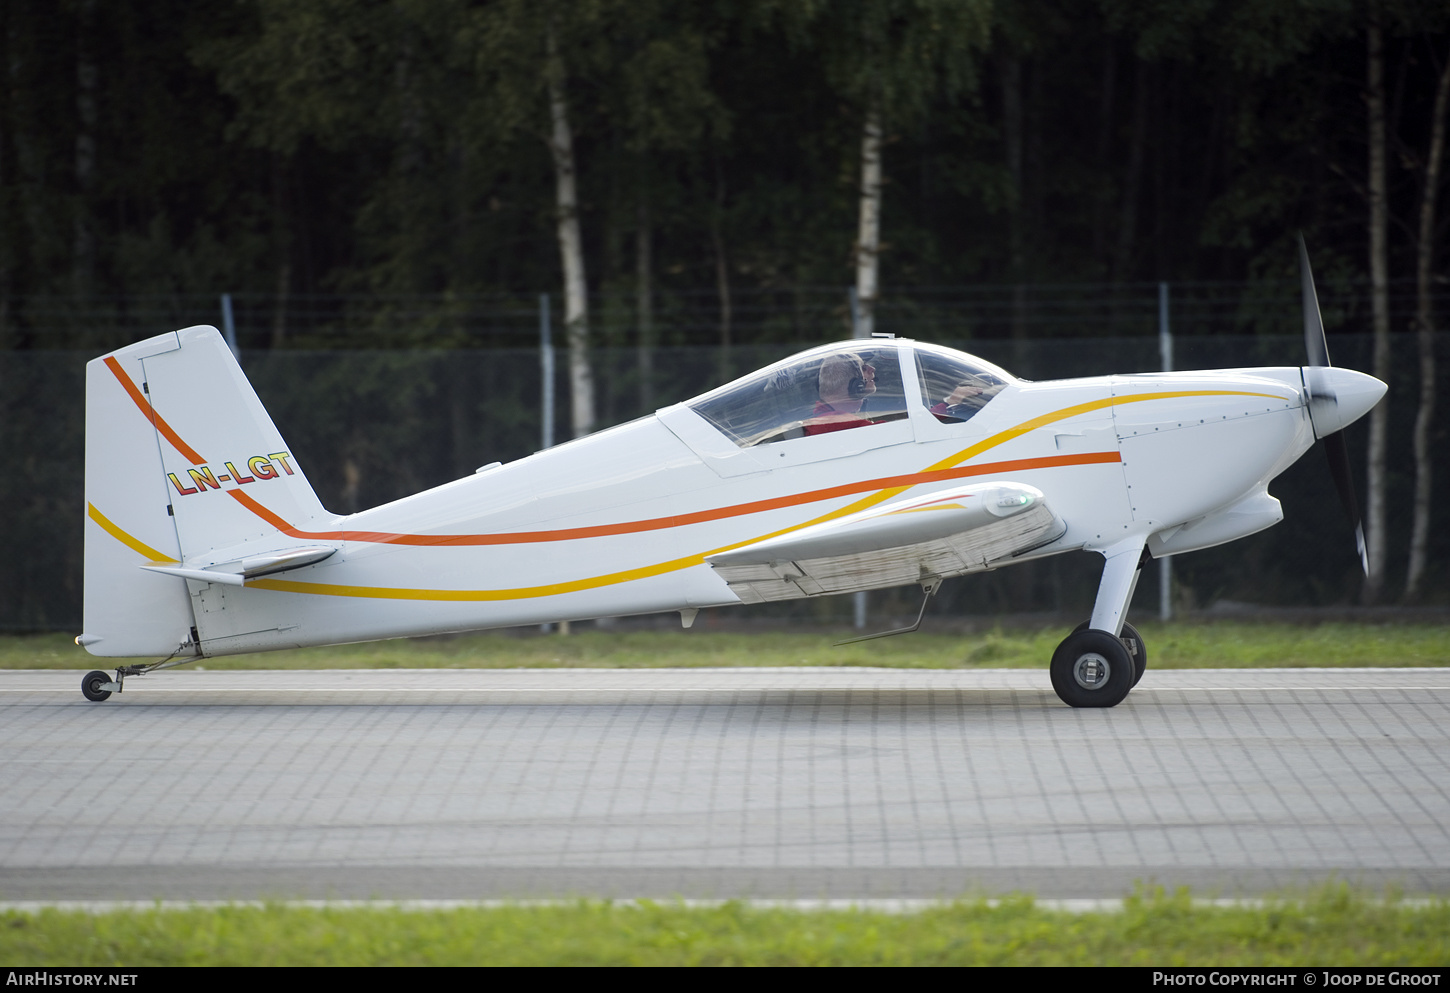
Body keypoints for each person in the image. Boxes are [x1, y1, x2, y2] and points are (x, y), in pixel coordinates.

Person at [803, 352, 877, 435]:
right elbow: (886, 434)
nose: (872, 369)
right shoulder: (838, 424)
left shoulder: (827, 420)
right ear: (856, 385)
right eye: (863, 368)